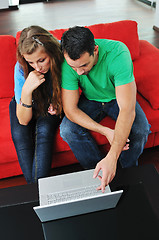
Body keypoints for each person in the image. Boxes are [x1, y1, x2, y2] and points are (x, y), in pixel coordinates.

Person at [60, 26, 151, 192]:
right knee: (67, 129)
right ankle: (98, 172)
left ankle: (126, 171)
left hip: (117, 97)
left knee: (140, 130)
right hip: (90, 100)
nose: (79, 72)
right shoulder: (68, 62)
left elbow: (126, 110)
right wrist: (105, 131)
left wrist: (113, 156)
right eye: (74, 67)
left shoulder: (118, 53)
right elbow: (70, 110)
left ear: (95, 50)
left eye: (84, 65)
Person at [9, 26, 63, 184]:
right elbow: (23, 120)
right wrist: (26, 90)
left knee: (44, 131)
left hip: (50, 102)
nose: (37, 68)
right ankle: (37, 192)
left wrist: (60, 103)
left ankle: (36, 192)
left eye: (42, 60)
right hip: (25, 103)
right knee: (20, 135)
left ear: (52, 52)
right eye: (30, 62)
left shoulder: (63, 53)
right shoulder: (20, 68)